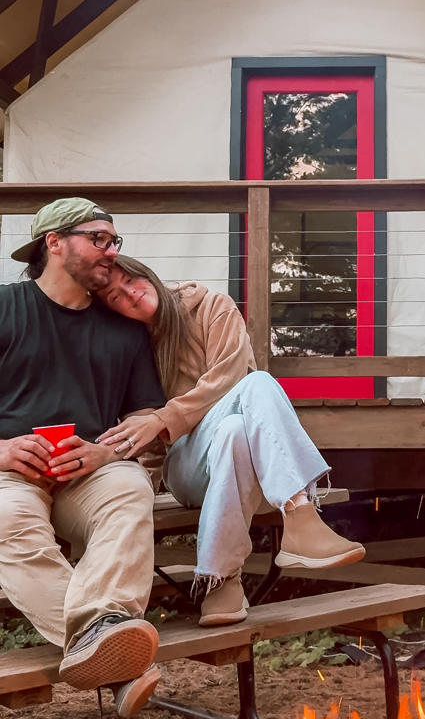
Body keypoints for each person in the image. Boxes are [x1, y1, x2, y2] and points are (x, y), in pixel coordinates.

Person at [95, 257, 365, 628]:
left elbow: (229, 379)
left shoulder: (213, 307)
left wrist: (162, 420)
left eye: (131, 280)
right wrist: (142, 483)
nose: (130, 293)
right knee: (258, 385)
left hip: (243, 456)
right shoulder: (131, 345)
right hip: (186, 469)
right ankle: (300, 514)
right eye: (115, 297)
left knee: (235, 426)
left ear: (148, 275)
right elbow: (142, 430)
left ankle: (221, 581)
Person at [0, 199, 167, 719]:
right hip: (9, 474)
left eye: (115, 241)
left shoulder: (124, 329)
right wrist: (1, 449)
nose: (111, 251)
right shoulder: (4, 307)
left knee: (130, 488)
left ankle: (101, 641)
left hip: (87, 472)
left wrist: (106, 451)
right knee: (7, 518)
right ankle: (113, 654)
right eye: (98, 239)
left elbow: (145, 416)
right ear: (54, 242)